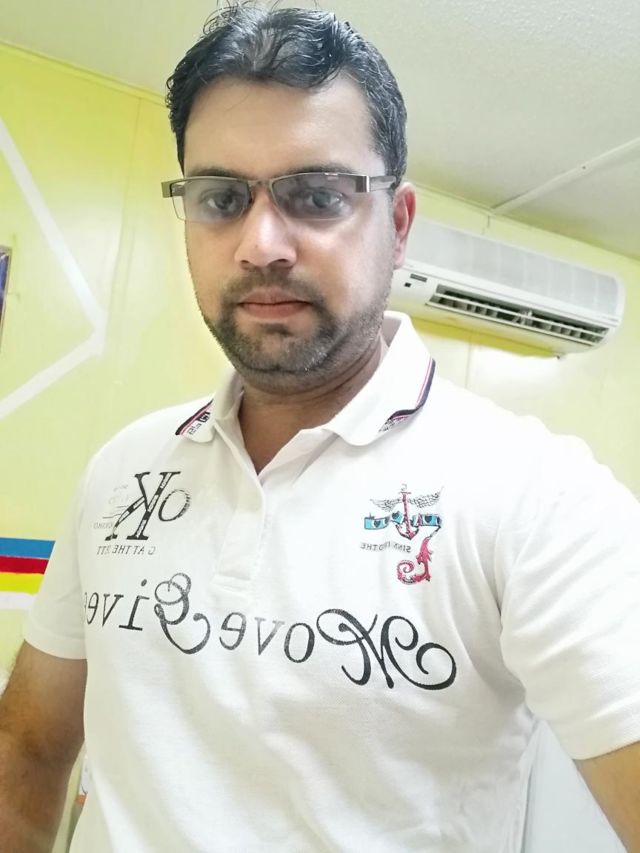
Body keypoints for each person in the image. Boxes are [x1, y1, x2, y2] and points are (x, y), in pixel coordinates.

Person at [1, 5, 639, 852]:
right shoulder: (122, 470)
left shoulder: (537, 497)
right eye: (220, 198)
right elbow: (28, 744)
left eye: (317, 195)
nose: (261, 244)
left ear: (398, 226)